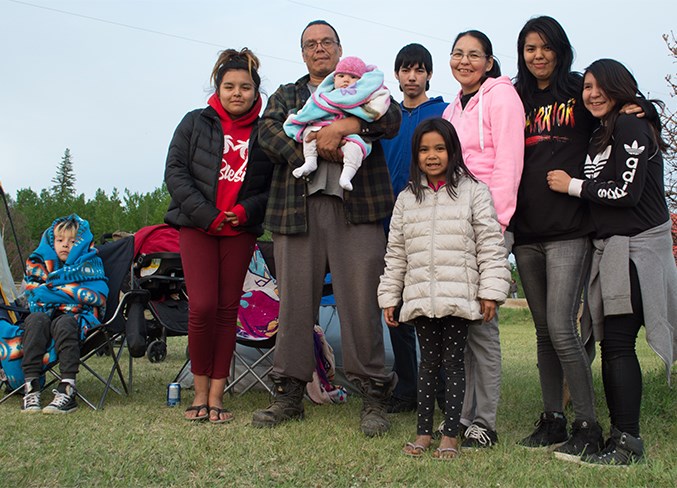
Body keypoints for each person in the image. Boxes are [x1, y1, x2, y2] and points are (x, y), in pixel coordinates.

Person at [251, 19, 401, 437]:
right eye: (311, 44)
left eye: (326, 42)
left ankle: (373, 398)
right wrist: (317, 144)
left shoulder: (364, 84)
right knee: (295, 304)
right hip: (296, 212)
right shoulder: (287, 94)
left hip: (358, 209)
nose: (319, 49)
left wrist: (349, 126)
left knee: (361, 302)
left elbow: (392, 120)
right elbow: (267, 134)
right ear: (303, 54)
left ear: (339, 48)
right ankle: (288, 395)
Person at [547, 58, 677, 467]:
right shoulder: (604, 131)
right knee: (615, 345)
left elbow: (626, 191)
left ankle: (627, 444)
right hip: (614, 250)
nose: (592, 93)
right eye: (586, 87)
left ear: (622, 87)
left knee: (619, 345)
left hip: (637, 251)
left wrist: (572, 186)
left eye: (601, 85)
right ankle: (619, 438)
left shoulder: (631, 124)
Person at [379, 118, 510, 459]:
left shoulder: (474, 191)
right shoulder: (407, 198)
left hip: (459, 296)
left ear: (453, 151)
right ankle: (423, 433)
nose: (432, 156)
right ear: (415, 155)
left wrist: (491, 291)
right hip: (422, 297)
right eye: (424, 150)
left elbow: (490, 245)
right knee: (428, 365)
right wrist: (391, 296)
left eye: (439, 148)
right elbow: (396, 253)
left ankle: (451, 434)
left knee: (453, 364)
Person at [510, 16, 604, 460]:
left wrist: (641, 108)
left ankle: (588, 426)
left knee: (564, 327)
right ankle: (553, 420)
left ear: (560, 49)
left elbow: (620, 105)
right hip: (526, 230)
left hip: (570, 228)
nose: (538, 55)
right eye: (530, 48)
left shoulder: (578, 89)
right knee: (544, 332)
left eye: (546, 47)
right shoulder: (513, 96)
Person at [164, 48, 273, 423]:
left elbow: (272, 186)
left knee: (228, 311)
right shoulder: (194, 123)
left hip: (239, 230)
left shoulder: (266, 132)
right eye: (229, 86)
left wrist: (243, 212)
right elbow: (175, 173)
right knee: (203, 306)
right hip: (198, 227)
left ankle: (216, 394)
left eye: (245, 87)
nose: (237, 93)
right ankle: (198, 391)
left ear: (256, 91)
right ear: (218, 87)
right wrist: (207, 216)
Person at [441, 29, 524, 448]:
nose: (465, 61)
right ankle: (462, 414)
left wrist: (499, 224)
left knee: (483, 322)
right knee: (462, 322)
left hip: (490, 225)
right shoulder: (455, 106)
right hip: (456, 225)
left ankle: (484, 422)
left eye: (474, 55)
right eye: (458, 54)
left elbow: (509, 162)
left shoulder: (502, 96)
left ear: (489, 62)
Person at [381, 43, 448, 414]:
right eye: (405, 69)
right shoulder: (383, 113)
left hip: (429, 221)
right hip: (386, 222)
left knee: (430, 307)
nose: (412, 76)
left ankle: (440, 387)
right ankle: (406, 385)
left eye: (419, 70)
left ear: (428, 75)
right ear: (397, 74)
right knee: (396, 308)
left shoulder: (442, 111)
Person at [21, 214, 109, 414]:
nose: (65, 245)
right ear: (52, 242)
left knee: (65, 322)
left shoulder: (89, 264)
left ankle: (67, 388)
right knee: (35, 320)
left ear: (80, 244)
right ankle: (31, 387)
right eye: (60, 240)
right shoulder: (40, 264)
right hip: (44, 318)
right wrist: (68, 292)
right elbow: (34, 294)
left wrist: (50, 291)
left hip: (78, 318)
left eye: (72, 241)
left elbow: (98, 295)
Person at [284, 55, 391, 191]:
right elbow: (309, 110)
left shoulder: (364, 93)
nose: (346, 80)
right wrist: (302, 120)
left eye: (353, 77)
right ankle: (310, 160)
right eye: (341, 76)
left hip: (351, 138)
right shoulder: (323, 94)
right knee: (308, 133)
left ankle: (347, 174)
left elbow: (389, 114)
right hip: (320, 128)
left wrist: (343, 127)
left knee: (355, 148)